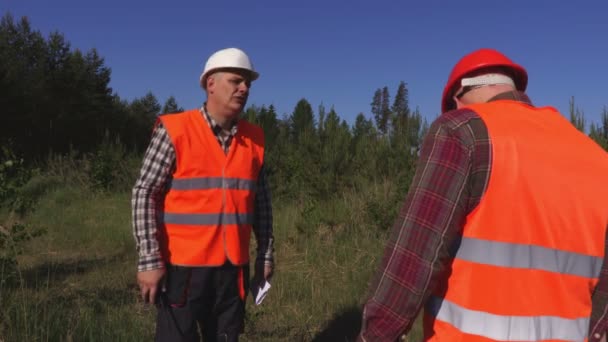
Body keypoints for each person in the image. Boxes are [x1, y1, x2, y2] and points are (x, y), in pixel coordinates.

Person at [357, 48, 608, 341]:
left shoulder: (463, 131)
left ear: (456, 99)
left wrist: (373, 336)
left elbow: (412, 262)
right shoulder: (597, 159)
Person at [132, 47, 274, 342]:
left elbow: (261, 204)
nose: (244, 88)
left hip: (233, 269)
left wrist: (265, 254)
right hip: (183, 268)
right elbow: (145, 193)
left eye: (248, 83)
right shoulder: (176, 130)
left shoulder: (255, 139)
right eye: (236, 80)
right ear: (211, 83)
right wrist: (149, 259)